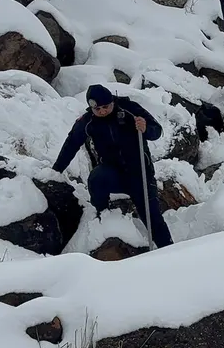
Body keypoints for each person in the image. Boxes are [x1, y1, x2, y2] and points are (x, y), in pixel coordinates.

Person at [51, 84, 172, 248]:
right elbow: (71, 144)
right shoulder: (88, 121)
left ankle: (170, 251)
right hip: (112, 172)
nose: (102, 111)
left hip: (140, 173)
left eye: (105, 107)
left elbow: (157, 130)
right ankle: (103, 215)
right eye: (97, 109)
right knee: (95, 179)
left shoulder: (129, 108)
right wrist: (56, 170)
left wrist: (146, 129)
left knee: (153, 218)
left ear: (112, 102)